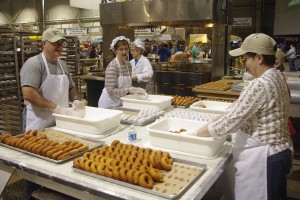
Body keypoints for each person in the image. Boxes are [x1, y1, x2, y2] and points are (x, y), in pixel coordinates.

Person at [194, 33, 293, 200]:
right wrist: (214, 119)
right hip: (279, 152)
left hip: (265, 158)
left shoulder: (259, 84)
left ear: (259, 58)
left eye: (246, 59)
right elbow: (238, 110)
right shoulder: (276, 77)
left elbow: (230, 123)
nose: (244, 64)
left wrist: (196, 134)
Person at [20, 27, 85, 131]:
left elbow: (71, 87)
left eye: (61, 43)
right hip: (38, 123)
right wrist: (56, 108)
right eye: (55, 43)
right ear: (43, 44)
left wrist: (76, 99)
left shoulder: (63, 65)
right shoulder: (34, 64)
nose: (59, 46)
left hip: (60, 122)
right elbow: (29, 94)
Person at [98, 36, 145, 108]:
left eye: (126, 49)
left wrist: (135, 90)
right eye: (121, 49)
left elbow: (126, 85)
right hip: (109, 104)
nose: (124, 52)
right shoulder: (113, 66)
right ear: (115, 50)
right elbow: (111, 91)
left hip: (120, 102)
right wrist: (129, 90)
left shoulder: (128, 65)